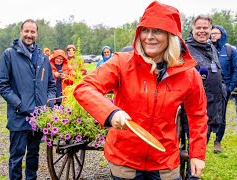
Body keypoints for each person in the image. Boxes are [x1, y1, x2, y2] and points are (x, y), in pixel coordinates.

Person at [73, 1, 208, 179]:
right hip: (125, 161)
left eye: (158, 30)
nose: (149, 37)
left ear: (171, 35)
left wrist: (197, 154)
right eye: (145, 30)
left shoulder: (188, 75)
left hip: (164, 162)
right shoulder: (121, 63)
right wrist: (111, 113)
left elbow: (197, 115)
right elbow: (84, 88)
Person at [0, 19, 56, 180]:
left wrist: (49, 102)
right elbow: (2, 85)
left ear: (37, 34)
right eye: (26, 31)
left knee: (33, 155)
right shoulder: (9, 54)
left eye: (33, 32)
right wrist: (19, 103)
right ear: (21, 32)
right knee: (16, 156)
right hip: (19, 115)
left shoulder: (43, 57)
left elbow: (51, 84)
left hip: (38, 117)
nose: (29, 35)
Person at [185, 15, 226, 154]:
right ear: (192, 29)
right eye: (198, 28)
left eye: (205, 28)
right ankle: (192, 174)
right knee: (192, 144)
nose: (202, 31)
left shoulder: (211, 48)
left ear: (210, 29)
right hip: (192, 109)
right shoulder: (185, 50)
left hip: (211, 106)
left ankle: (194, 172)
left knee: (203, 142)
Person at [210, 25, 237, 146]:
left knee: (221, 115)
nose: (213, 35)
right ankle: (205, 138)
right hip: (208, 89)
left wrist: (229, 88)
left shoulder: (230, 50)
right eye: (212, 33)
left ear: (222, 35)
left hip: (224, 89)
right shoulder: (206, 48)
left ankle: (218, 140)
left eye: (216, 33)